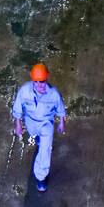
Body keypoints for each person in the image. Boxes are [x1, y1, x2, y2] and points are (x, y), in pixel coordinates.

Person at [11, 62, 67, 192]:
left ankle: (41, 177)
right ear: (32, 80)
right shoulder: (24, 91)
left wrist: (62, 123)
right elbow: (18, 109)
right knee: (36, 137)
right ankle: (38, 139)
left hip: (46, 124)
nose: (39, 85)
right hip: (31, 122)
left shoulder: (54, 94)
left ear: (46, 78)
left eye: (42, 81)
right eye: (36, 81)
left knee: (45, 150)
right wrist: (18, 125)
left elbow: (61, 110)